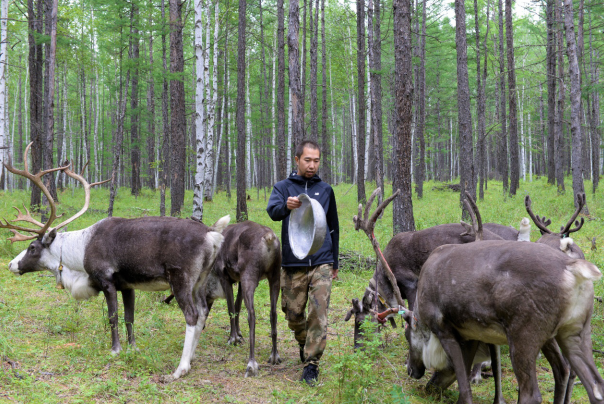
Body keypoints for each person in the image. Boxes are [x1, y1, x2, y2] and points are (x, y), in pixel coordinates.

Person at [266, 139, 339, 386]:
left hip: (322, 261)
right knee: (293, 314)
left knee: (318, 313)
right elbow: (272, 211)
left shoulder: (326, 190)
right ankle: (303, 341)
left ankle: (311, 364)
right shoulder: (283, 187)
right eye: (307, 160)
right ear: (296, 160)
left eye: (316, 160)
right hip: (293, 262)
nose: (312, 165)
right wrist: (286, 207)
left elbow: (333, 228)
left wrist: (335, 262)